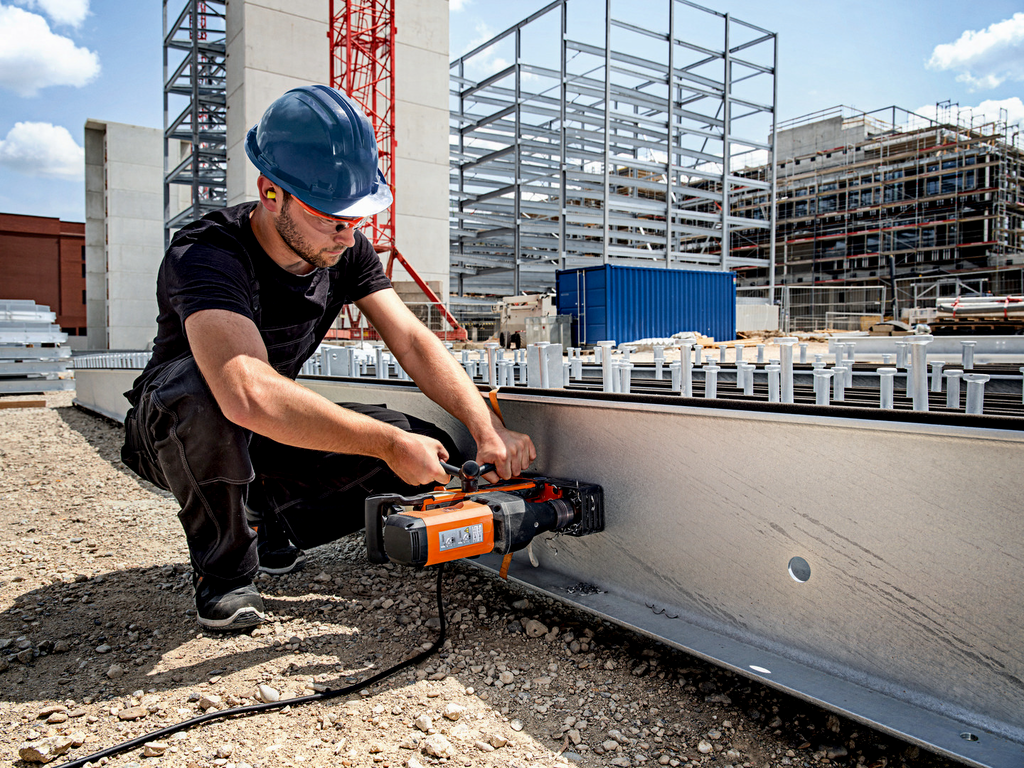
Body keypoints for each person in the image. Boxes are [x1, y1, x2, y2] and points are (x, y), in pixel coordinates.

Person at [121, 85, 535, 631]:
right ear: (272, 194)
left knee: (428, 447)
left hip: (263, 427)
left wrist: (485, 427)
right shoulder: (206, 253)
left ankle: (270, 524)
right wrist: (384, 443)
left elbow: (411, 340)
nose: (347, 234)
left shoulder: (346, 250)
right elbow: (244, 390)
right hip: (177, 429)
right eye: (331, 218)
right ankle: (224, 574)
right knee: (204, 391)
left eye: (356, 219)